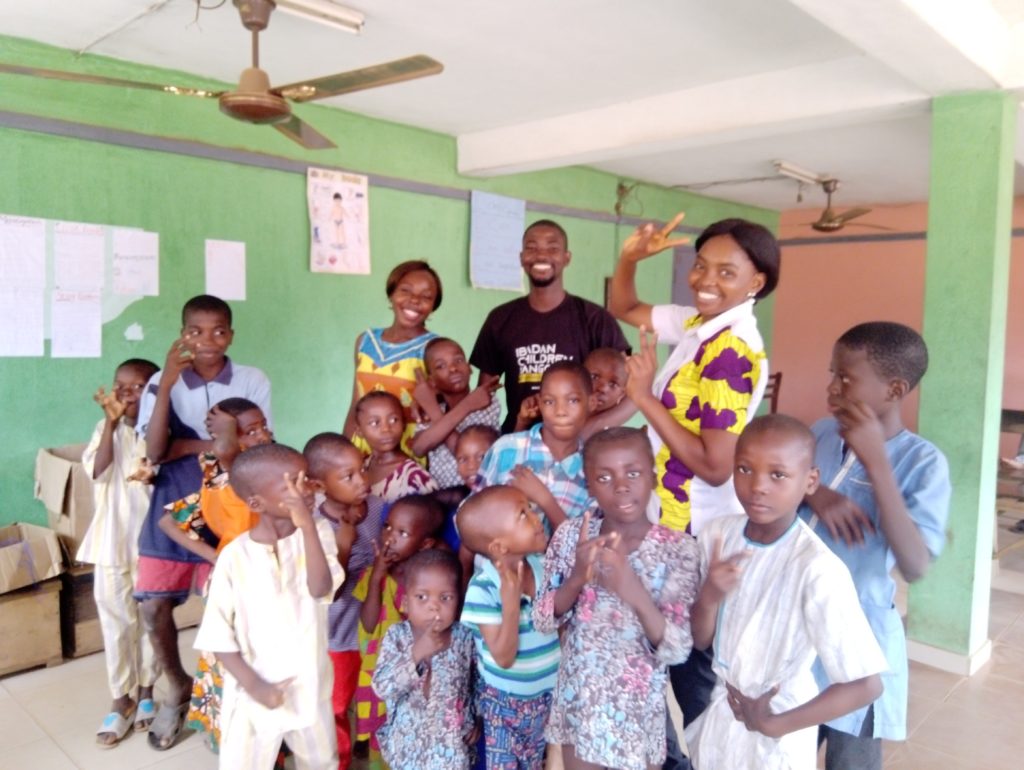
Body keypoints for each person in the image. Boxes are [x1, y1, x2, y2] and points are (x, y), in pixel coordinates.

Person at [608, 213, 781, 749]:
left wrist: (642, 399)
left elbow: (713, 464)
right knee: (660, 656)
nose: (706, 281)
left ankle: (709, 756)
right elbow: (624, 307)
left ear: (756, 283)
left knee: (693, 675)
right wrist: (630, 258)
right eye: (701, 266)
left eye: (727, 272)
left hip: (697, 532)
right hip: (668, 518)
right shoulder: (698, 324)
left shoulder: (731, 350)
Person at [686, 415, 886, 770]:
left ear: (810, 481)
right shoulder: (718, 536)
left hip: (778, 732)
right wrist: (710, 596)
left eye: (777, 475)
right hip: (723, 717)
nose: (757, 486)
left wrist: (773, 724)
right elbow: (701, 640)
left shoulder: (817, 569)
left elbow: (866, 685)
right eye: (745, 469)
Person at [799, 322, 951, 770]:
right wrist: (816, 493)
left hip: (858, 636)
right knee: (784, 750)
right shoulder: (821, 433)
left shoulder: (923, 462)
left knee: (850, 758)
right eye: (832, 373)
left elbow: (915, 564)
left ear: (895, 389)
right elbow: (786, 482)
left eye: (846, 377)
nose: (832, 387)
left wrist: (877, 462)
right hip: (798, 623)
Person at [135, 294, 271, 751]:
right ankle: (176, 685)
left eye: (218, 331)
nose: (207, 340)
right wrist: (167, 383)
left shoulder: (252, 379)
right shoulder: (161, 381)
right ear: (181, 334)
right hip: (174, 500)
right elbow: (155, 452)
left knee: (232, 613)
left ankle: (229, 701)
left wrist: (192, 445)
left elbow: (254, 442)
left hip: (231, 504)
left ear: (230, 335)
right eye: (195, 331)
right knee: (154, 604)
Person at [534, 427, 700, 770]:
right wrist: (577, 577)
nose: (621, 486)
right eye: (604, 477)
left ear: (653, 476)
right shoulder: (571, 537)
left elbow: (676, 648)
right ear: (589, 486)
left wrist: (632, 589)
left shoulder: (678, 550)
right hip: (581, 706)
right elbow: (543, 620)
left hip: (639, 714)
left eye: (633, 473)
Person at [193, 444, 343, 769]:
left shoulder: (318, 533)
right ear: (256, 503)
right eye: (290, 484)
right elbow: (217, 634)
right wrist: (255, 686)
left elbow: (321, 589)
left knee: (321, 762)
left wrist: (307, 527)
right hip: (252, 693)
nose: (304, 490)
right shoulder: (235, 557)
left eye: (305, 479)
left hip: (309, 686)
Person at [154, 398, 274, 754]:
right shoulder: (225, 477)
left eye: (263, 426)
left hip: (261, 581)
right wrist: (216, 556)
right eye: (250, 431)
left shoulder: (265, 468)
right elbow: (168, 521)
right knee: (237, 664)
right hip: (238, 585)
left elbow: (170, 520)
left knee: (260, 663)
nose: (263, 435)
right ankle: (240, 738)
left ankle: (264, 738)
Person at [471, 219, 629, 434]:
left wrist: (587, 432)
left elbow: (627, 387)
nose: (541, 256)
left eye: (552, 248)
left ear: (567, 258)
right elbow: (483, 397)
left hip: (578, 446)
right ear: (521, 258)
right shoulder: (500, 319)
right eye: (532, 248)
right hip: (519, 440)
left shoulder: (595, 319)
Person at [78, 357, 160, 748]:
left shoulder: (160, 433)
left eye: (139, 387)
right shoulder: (104, 430)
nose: (128, 394)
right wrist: (110, 424)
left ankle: (147, 692)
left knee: (151, 622)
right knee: (116, 623)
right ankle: (120, 698)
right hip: (110, 543)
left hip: (151, 545)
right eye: (121, 386)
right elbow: (98, 472)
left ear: (155, 391)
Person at [457, 486, 561, 770]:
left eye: (530, 507)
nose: (536, 517)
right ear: (499, 547)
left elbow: (560, 626)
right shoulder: (483, 590)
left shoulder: (544, 568)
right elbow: (503, 658)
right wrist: (511, 602)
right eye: (523, 514)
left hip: (548, 697)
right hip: (505, 704)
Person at [303, 432, 387, 770]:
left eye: (362, 469)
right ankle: (338, 761)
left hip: (377, 628)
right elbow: (329, 590)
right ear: (319, 485)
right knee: (336, 704)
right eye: (348, 476)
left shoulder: (379, 509)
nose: (361, 481)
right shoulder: (315, 525)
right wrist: (345, 542)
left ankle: (373, 747)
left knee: (378, 695)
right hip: (339, 635)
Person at [352, 494, 444, 756]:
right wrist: (377, 577)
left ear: (425, 543)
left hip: (412, 681)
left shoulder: (426, 586)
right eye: (387, 527)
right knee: (378, 744)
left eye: (403, 533)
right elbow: (369, 625)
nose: (390, 538)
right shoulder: (373, 574)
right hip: (376, 673)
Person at [373, 549, 478, 770]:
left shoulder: (464, 637)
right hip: (407, 751)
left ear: (458, 601)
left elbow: (477, 682)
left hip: (452, 750)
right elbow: (382, 686)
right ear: (405, 602)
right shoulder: (397, 637)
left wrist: (478, 717)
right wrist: (416, 653)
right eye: (421, 597)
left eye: (445, 598)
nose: (434, 606)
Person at [477, 361, 595, 532]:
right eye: (549, 401)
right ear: (539, 403)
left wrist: (545, 500)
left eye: (573, 400)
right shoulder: (507, 449)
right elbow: (472, 517)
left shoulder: (592, 471)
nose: (560, 411)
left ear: (591, 403)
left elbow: (583, 544)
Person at [342, 260, 443, 457]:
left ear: (433, 306)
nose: (414, 300)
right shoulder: (365, 341)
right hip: (363, 452)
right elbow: (356, 403)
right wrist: (345, 451)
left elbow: (444, 408)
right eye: (405, 290)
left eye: (426, 296)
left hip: (408, 454)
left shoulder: (436, 349)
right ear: (391, 294)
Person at [411, 337, 502, 489]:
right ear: (431, 381)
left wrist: (433, 409)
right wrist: (435, 408)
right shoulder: (429, 410)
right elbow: (419, 448)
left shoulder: (486, 402)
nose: (453, 368)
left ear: (469, 368)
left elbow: (463, 453)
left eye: (458, 360)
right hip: (442, 493)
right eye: (441, 366)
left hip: (479, 489)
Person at [354, 391, 439, 502]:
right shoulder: (361, 467)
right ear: (359, 431)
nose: (386, 429)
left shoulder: (414, 477)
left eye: (393, 420)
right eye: (375, 423)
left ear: (404, 424)